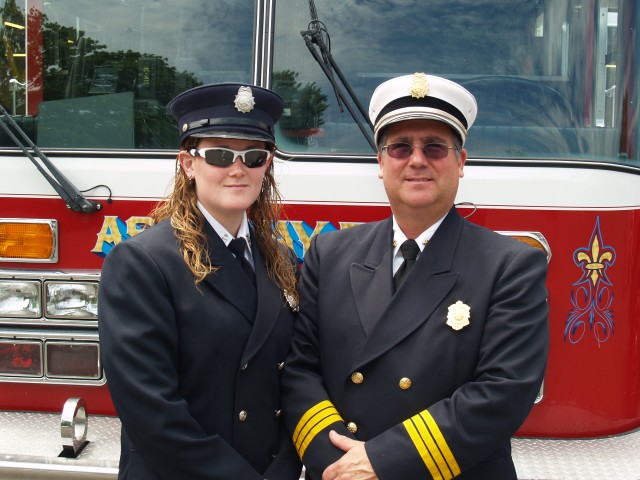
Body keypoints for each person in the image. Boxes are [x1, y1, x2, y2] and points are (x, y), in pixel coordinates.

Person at [281, 72, 549, 480]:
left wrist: (381, 462)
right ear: (380, 163)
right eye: (401, 147)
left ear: (461, 163)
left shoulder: (509, 266)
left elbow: (503, 393)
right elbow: (300, 369)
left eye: (436, 148)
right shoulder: (329, 254)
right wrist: (338, 464)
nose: (417, 160)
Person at [98, 83, 302, 480]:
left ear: (268, 165)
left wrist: (286, 467)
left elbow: (293, 376)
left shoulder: (281, 259)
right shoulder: (142, 264)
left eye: (254, 156)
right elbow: (152, 411)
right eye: (220, 155)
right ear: (188, 164)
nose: (238, 168)